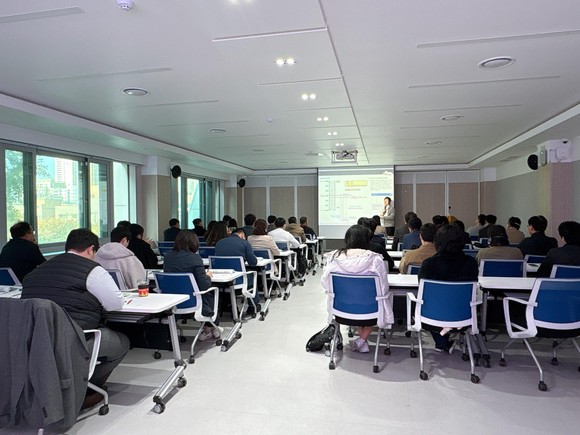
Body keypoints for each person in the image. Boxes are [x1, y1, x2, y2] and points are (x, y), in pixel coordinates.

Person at [21, 228, 129, 407]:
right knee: (122, 343)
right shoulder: (93, 271)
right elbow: (115, 304)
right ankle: (85, 392)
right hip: (72, 340)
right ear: (91, 249)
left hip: (32, 342)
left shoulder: (36, 271)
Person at [321, 225, 393, 353]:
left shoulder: (334, 257)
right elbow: (383, 287)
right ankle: (361, 340)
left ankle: (361, 341)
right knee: (380, 301)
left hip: (341, 309)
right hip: (371, 310)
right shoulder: (375, 259)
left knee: (357, 300)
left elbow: (325, 283)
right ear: (367, 240)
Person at [418, 224, 479, 353]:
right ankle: (443, 341)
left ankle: (442, 341)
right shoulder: (471, 263)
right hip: (462, 314)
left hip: (433, 315)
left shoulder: (429, 264)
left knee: (426, 302)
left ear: (437, 242)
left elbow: (422, 290)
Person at [163, 230, 219, 340]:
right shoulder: (195, 258)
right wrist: (208, 276)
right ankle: (210, 327)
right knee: (211, 293)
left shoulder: (168, 257)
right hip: (192, 301)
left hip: (172, 300)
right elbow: (204, 286)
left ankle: (209, 329)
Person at [215, 228, 260, 314]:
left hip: (221, 280)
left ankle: (227, 305)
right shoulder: (244, 243)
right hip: (239, 280)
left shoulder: (219, 242)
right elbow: (253, 262)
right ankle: (253, 306)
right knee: (251, 275)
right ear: (242, 235)